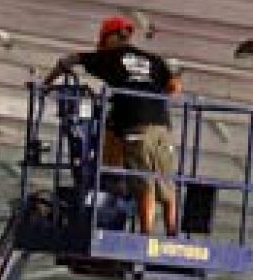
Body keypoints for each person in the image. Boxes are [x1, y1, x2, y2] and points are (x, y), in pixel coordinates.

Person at [44, 15, 183, 236]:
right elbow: (174, 86)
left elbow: (69, 60)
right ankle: (172, 234)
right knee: (166, 179)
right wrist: (151, 99)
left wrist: (46, 83)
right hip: (162, 124)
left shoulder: (107, 56)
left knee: (143, 179)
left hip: (136, 124)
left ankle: (145, 234)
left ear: (109, 37)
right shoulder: (152, 59)